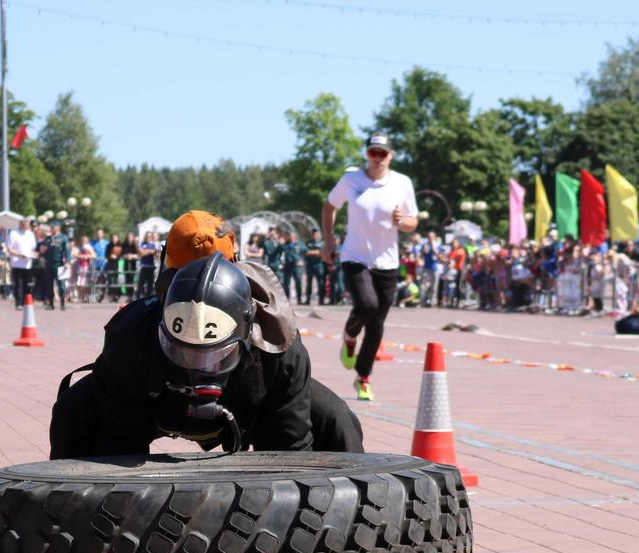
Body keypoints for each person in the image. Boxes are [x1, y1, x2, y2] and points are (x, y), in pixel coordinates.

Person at [50, 210, 364, 458]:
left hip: (252, 408)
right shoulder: (131, 336)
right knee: (75, 409)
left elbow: (289, 454)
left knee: (335, 419)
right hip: (155, 408)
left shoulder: (276, 340)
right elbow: (116, 456)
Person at [322, 133, 418, 402]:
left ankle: (363, 377)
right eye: (373, 153)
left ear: (391, 155)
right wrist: (328, 241)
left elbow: (414, 222)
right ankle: (350, 335)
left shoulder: (402, 183)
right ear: (366, 154)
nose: (377, 159)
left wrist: (403, 221)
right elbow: (329, 206)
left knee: (377, 326)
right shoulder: (351, 180)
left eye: (382, 154)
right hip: (355, 257)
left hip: (387, 262)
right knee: (366, 305)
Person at [6, 217, 36, 308]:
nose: (27, 226)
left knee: (27, 283)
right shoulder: (13, 233)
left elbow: (33, 248)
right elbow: (10, 249)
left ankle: (26, 302)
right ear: (21, 224)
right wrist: (20, 255)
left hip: (28, 263)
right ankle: (18, 302)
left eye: (28, 224)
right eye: (25, 224)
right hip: (17, 263)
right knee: (18, 283)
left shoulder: (30, 234)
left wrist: (33, 255)